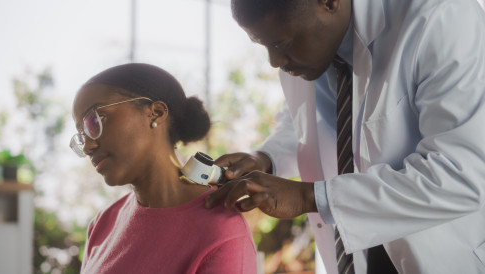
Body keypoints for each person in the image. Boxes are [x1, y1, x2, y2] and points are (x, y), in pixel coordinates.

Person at [205, 0, 485, 273]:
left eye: (280, 44)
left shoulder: (440, 16)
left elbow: (460, 174)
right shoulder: (309, 51)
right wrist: (265, 158)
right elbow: (306, 122)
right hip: (363, 252)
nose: (274, 62)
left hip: (445, 250)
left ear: (328, 3)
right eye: (264, 46)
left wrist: (309, 197)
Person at [70, 63, 257, 274]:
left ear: (156, 113)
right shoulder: (103, 224)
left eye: (94, 121)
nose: (87, 146)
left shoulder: (221, 231)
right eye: (81, 135)